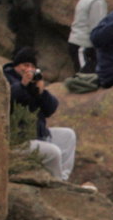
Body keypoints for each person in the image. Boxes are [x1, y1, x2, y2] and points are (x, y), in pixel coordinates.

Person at [4, 48, 77, 182]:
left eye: (32, 66)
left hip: (37, 135)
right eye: (25, 65)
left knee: (68, 135)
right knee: (53, 152)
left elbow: (51, 109)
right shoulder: (5, 79)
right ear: (16, 66)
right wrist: (23, 84)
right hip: (17, 140)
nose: (29, 69)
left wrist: (41, 92)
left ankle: (63, 178)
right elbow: (8, 99)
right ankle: (57, 181)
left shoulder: (33, 84)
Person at [67, 0, 110, 73]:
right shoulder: (97, 1)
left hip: (78, 43)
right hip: (83, 45)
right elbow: (97, 28)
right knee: (84, 77)